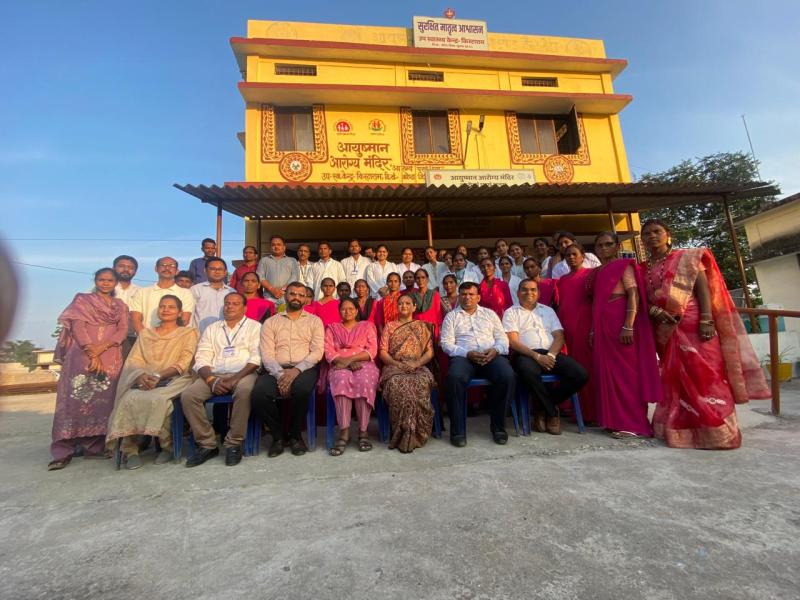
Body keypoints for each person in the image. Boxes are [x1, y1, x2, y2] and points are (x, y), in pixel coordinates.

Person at [640, 219, 768, 449]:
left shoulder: (688, 258)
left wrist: (707, 319)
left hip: (694, 322)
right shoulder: (642, 268)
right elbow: (642, 299)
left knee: (707, 375)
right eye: (646, 233)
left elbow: (703, 289)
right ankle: (678, 430)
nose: (652, 236)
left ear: (668, 234)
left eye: (657, 231)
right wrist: (653, 311)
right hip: (664, 328)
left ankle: (717, 432)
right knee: (674, 378)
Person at [48, 268, 129, 470]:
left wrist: (102, 348)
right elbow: (78, 327)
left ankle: (94, 447)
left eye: (109, 280)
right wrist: (92, 352)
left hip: (110, 355)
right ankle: (62, 451)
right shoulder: (82, 300)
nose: (105, 283)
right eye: (101, 279)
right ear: (95, 280)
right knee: (73, 400)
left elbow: (122, 330)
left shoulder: (120, 305)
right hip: (82, 355)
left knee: (103, 401)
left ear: (116, 283)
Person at [106, 295, 199, 469]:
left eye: (171, 307)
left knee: (159, 400)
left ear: (180, 312)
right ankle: (130, 450)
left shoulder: (188, 333)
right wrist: (140, 375)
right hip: (145, 378)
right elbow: (135, 360)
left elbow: (184, 362)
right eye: (162, 306)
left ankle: (167, 446)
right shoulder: (146, 334)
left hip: (176, 377)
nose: (166, 310)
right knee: (129, 399)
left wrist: (158, 376)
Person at [590, 232, 661, 438]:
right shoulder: (598, 271)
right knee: (608, 373)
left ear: (618, 246)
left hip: (620, 319)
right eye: (600, 245)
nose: (604, 248)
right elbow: (595, 301)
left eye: (608, 244)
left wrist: (628, 325)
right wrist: (593, 329)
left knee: (627, 373)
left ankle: (634, 424)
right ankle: (614, 421)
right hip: (603, 323)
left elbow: (633, 294)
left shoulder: (624, 266)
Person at [180, 292, 261, 467]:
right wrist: (211, 380)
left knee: (245, 391)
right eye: (227, 303)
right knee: (188, 396)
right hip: (214, 375)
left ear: (244, 308)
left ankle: (234, 443)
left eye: (235, 303)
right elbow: (201, 358)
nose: (230, 306)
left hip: (243, 374)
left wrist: (234, 379)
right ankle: (207, 444)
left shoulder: (255, 327)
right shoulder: (212, 328)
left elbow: (256, 358)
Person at [503, 279, 588, 435]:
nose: (529, 293)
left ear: (538, 293)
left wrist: (550, 355)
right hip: (526, 354)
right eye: (524, 289)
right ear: (518, 293)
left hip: (550, 353)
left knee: (580, 374)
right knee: (527, 372)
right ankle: (552, 412)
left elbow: (559, 336)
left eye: (533, 290)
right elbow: (513, 342)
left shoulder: (548, 311)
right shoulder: (511, 312)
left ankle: (543, 408)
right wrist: (537, 356)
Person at [251, 282, 324, 457]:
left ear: (306, 299)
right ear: (285, 296)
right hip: (276, 368)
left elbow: (317, 352)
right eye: (292, 294)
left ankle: (295, 436)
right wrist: (280, 374)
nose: (296, 297)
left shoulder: (315, 321)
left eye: (301, 295)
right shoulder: (271, 322)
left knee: (302, 390)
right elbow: (267, 354)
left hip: (304, 368)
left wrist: (296, 371)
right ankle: (278, 436)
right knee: (259, 394)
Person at [440, 282, 515, 447]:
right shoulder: (451, 316)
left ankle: (499, 428)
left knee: (507, 376)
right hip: (464, 357)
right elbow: (446, 343)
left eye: (471, 294)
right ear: (459, 296)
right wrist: (467, 353)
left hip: (490, 355)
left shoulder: (490, 314)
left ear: (478, 297)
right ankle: (458, 431)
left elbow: (503, 339)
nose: (467, 297)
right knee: (454, 378)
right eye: (463, 294)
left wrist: (495, 350)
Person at [379, 294, 436, 453]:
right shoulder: (390, 326)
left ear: (414, 307)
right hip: (394, 366)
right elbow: (382, 352)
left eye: (407, 303)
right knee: (398, 384)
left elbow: (429, 352)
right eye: (401, 303)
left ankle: (418, 433)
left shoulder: (422, 326)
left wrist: (416, 363)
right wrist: (398, 364)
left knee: (420, 383)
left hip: (418, 366)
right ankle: (402, 433)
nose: (403, 306)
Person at [325, 298, 380, 456]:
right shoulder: (332, 328)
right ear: (339, 311)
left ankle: (363, 431)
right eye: (343, 309)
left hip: (363, 363)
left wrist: (351, 360)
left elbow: (372, 350)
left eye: (351, 309)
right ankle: (344, 432)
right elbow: (328, 350)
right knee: (342, 380)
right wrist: (345, 363)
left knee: (364, 381)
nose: (347, 312)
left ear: (356, 311)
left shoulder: (367, 326)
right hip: (339, 364)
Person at [556, 244, 596, 423]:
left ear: (583, 256)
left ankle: (590, 412)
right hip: (566, 328)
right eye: (567, 255)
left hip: (584, 326)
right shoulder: (562, 280)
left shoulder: (591, 275)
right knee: (570, 368)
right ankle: (574, 409)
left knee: (586, 367)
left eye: (574, 254)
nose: (571, 258)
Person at [129, 257, 193, 334]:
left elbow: (185, 320)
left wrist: (167, 338)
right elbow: (135, 319)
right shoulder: (142, 292)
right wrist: (145, 337)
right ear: (156, 269)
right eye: (163, 265)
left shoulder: (186, 293)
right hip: (146, 337)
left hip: (174, 338)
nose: (167, 268)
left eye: (172, 266)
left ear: (177, 271)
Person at [190, 257, 234, 334]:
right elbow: (190, 315)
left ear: (225, 272)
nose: (217, 271)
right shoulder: (195, 290)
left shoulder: (232, 292)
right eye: (212, 269)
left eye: (220, 269)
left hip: (225, 336)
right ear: (205, 271)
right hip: (200, 335)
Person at [257, 235, 298, 307]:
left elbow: (295, 276)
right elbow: (260, 276)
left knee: (286, 314)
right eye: (273, 245)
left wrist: (282, 289)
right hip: (269, 297)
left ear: (284, 247)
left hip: (286, 296)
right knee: (270, 314)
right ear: (270, 247)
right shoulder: (264, 260)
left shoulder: (292, 260)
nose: (276, 247)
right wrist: (272, 289)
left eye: (279, 244)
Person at [113, 255, 139, 357]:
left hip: (131, 339)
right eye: (122, 266)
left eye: (130, 268)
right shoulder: (102, 289)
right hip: (105, 337)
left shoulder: (140, 292)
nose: (126, 270)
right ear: (113, 268)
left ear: (135, 272)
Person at [411, 268, 444, 338]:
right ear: (415, 280)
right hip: (417, 327)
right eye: (418, 278)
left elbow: (438, 313)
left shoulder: (435, 294)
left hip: (432, 327)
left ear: (427, 279)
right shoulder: (412, 295)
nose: (420, 280)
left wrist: (439, 331)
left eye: (423, 277)